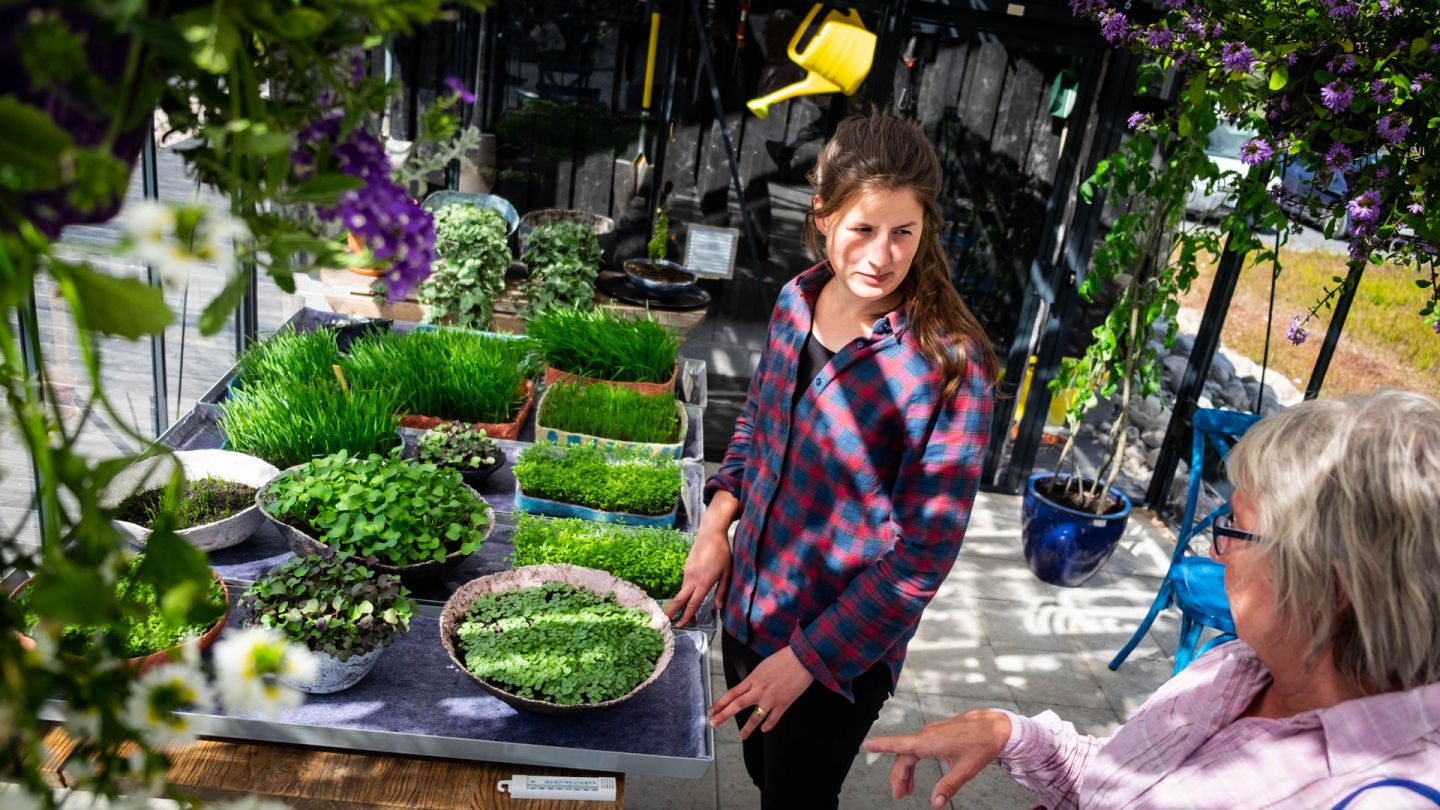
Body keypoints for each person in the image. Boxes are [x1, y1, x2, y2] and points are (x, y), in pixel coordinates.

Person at [863, 389, 1440, 809]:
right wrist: (1009, 733)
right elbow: (1117, 784)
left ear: (1333, 582)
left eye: (1235, 531)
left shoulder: (1379, 794)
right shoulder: (1236, 667)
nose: (1214, 553)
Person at [669, 111, 997, 809]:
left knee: (795, 797)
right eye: (863, 229)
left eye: (903, 232)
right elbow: (758, 426)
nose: (882, 255)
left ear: (925, 229)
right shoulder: (797, 300)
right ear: (822, 216)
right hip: (752, 609)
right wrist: (714, 527)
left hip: (842, 652)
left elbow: (922, 559)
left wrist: (809, 661)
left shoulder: (949, 365)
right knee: (762, 772)